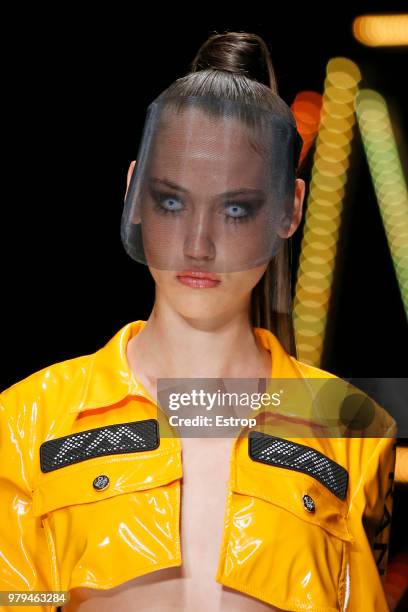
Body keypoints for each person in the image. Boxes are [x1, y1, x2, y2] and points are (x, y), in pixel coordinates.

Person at [0, 31, 396, 612]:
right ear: (135, 193)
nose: (199, 244)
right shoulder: (27, 419)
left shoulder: (354, 431)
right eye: (172, 201)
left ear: (290, 208)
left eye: (236, 208)